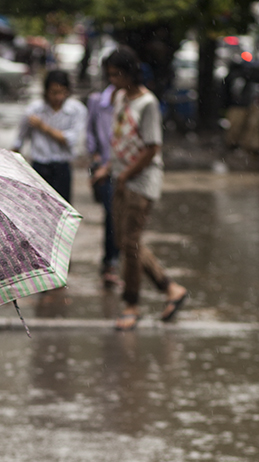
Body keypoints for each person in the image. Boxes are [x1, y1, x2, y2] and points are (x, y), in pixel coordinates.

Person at [93, 46, 188, 330]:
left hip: (141, 182)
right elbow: (120, 138)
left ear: (129, 73)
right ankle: (170, 288)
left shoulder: (147, 104)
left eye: (116, 74)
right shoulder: (120, 97)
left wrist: (124, 176)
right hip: (121, 177)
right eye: (109, 75)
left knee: (130, 245)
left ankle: (131, 304)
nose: (112, 80)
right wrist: (109, 168)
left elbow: (151, 149)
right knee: (126, 243)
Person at [12, 69, 87, 204]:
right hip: (39, 166)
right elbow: (19, 140)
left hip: (62, 167)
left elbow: (70, 140)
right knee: (38, 208)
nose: (59, 97)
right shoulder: (34, 110)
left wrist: (43, 127)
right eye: (54, 93)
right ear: (46, 91)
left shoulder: (76, 110)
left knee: (62, 208)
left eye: (63, 92)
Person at [86, 74, 120, 287]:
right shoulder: (97, 101)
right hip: (104, 167)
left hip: (124, 168)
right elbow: (90, 132)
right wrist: (97, 159)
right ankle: (110, 262)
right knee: (111, 215)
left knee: (118, 218)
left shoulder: (131, 102)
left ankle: (113, 260)